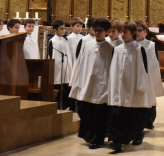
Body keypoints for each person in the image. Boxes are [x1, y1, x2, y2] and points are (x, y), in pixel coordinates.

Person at [107, 21, 156, 152]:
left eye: (125, 32)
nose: (122, 35)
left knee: (135, 113)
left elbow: (143, 71)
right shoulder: (117, 49)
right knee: (119, 113)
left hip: (134, 87)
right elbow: (113, 69)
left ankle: (136, 135)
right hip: (120, 87)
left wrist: (141, 88)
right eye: (121, 32)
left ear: (133, 33)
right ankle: (116, 140)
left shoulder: (139, 50)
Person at [69, 18, 113, 149]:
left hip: (102, 86)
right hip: (87, 84)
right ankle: (88, 135)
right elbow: (81, 65)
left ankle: (97, 139)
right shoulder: (87, 45)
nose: (97, 33)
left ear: (106, 31)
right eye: (95, 30)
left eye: (100, 31)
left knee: (99, 114)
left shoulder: (110, 48)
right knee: (86, 111)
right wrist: (78, 83)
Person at [135, 20, 164, 129]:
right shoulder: (129, 45)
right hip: (135, 77)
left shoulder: (151, 45)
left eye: (140, 30)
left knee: (150, 99)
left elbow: (155, 62)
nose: (137, 33)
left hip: (149, 76)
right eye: (135, 30)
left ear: (145, 32)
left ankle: (149, 121)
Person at [48, 20, 74, 110]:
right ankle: (61, 105)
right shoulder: (52, 41)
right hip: (58, 68)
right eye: (61, 29)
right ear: (55, 30)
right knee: (59, 87)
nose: (63, 31)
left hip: (67, 67)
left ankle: (67, 105)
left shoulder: (65, 40)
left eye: (64, 29)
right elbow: (51, 56)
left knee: (66, 86)